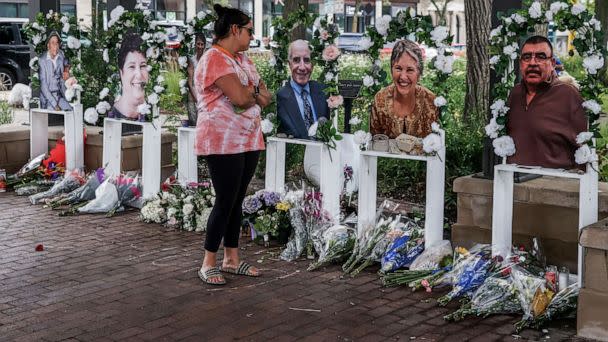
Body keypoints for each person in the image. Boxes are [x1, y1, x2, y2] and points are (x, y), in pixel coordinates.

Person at [194, 4, 271, 285]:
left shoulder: (243, 60)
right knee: (225, 200)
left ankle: (231, 259)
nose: (252, 36)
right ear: (235, 30)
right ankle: (208, 262)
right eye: (249, 30)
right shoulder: (215, 58)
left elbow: (266, 96)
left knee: (237, 200)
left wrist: (250, 92)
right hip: (221, 141)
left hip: (248, 139)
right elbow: (241, 98)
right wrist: (252, 92)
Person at [506, 35, 586, 169]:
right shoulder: (515, 94)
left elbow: (585, 148)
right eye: (527, 57)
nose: (532, 63)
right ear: (521, 64)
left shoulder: (568, 95)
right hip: (511, 183)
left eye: (540, 57)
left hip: (553, 184)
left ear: (553, 63)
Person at [370, 39, 438, 139]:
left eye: (410, 70)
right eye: (398, 68)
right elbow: (374, 143)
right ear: (391, 69)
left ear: (419, 73)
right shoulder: (380, 99)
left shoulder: (431, 101)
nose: (403, 76)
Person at [276, 39, 330, 139]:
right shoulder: (279, 98)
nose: (302, 67)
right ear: (289, 64)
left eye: (306, 60)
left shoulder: (324, 92)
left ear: (312, 65)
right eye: (296, 60)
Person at [107, 32, 149, 134]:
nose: (139, 75)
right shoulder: (111, 117)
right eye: (131, 66)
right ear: (121, 73)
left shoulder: (152, 117)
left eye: (143, 66)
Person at [39, 31, 71, 112]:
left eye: (57, 43)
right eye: (53, 43)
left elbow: (66, 62)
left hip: (59, 96)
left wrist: (66, 70)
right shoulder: (42, 60)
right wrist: (54, 104)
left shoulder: (60, 55)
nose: (55, 46)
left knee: (70, 111)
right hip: (48, 99)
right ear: (48, 45)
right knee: (53, 116)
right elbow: (44, 86)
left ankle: (81, 124)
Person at [186, 33, 206, 126]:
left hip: (204, 93)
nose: (200, 46)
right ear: (195, 45)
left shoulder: (206, 60)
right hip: (194, 93)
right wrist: (196, 98)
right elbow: (190, 82)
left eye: (202, 44)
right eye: (198, 44)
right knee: (194, 123)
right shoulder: (192, 60)